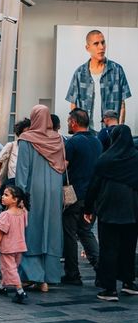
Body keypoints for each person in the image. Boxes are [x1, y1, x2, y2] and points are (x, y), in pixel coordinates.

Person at [16, 105, 66, 292]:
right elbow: (61, 167)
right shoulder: (59, 139)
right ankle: (50, 275)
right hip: (54, 191)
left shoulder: (27, 139)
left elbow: (22, 171)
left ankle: (34, 276)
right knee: (51, 232)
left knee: (32, 231)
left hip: (33, 192)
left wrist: (19, 197)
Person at [85, 125, 138, 302]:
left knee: (108, 249)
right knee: (128, 248)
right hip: (132, 210)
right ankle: (129, 282)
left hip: (109, 209)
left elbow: (93, 186)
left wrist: (88, 208)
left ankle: (109, 288)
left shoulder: (105, 159)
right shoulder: (136, 159)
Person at [61, 109, 102, 285]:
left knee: (69, 234)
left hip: (74, 195)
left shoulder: (72, 143)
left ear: (74, 122)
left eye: (69, 120)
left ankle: (73, 273)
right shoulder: (97, 141)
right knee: (86, 232)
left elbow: (63, 168)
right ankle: (101, 270)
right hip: (93, 195)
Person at [66, 29, 131, 129]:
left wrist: (120, 129)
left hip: (110, 130)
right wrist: (77, 131)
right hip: (86, 131)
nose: (101, 47)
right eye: (96, 43)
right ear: (87, 48)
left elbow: (122, 104)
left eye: (103, 42)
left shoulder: (117, 70)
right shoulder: (79, 73)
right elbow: (73, 105)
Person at [0, 185, 30, 303]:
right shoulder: (23, 212)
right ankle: (2, 287)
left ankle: (20, 291)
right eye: (3, 194)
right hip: (19, 246)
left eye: (6, 195)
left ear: (15, 199)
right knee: (11, 268)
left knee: (10, 269)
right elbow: (25, 225)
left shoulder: (5, 215)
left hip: (7, 247)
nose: (2, 197)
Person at [0, 118, 31, 192]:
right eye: (25, 133)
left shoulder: (33, 148)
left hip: (28, 183)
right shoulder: (11, 146)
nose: (28, 136)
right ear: (19, 134)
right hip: (12, 183)